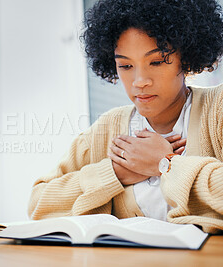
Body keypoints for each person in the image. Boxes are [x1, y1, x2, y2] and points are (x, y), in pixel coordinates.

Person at [28, 0, 223, 234]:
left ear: (187, 57)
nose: (140, 81)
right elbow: (38, 203)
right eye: (126, 66)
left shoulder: (217, 110)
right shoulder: (107, 128)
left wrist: (166, 164)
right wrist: (115, 173)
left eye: (157, 61)